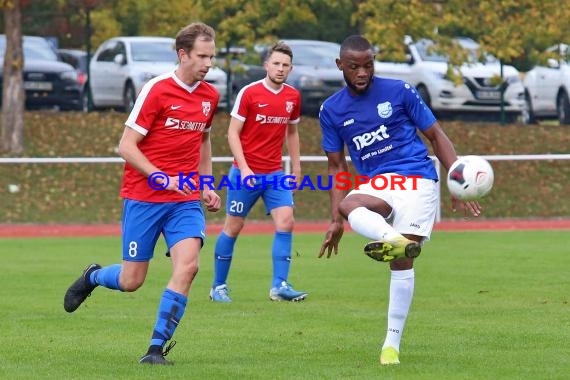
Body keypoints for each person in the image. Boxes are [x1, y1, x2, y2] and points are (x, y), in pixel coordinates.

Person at [317, 35, 483, 365]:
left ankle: (390, 345)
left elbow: (436, 136)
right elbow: (337, 166)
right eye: (354, 67)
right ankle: (393, 239)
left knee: (401, 261)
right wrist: (336, 221)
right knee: (348, 205)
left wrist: (457, 179)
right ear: (340, 66)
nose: (362, 73)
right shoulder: (331, 110)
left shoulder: (399, 92)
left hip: (418, 178)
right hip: (379, 183)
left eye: (368, 65)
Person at [63, 22, 221, 365]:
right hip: (144, 196)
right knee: (131, 280)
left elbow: (204, 141)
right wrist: (161, 178)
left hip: (184, 199)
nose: (209, 64)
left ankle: (155, 349)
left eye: (212, 56)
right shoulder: (157, 90)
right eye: (202, 56)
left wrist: (207, 185)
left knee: (189, 266)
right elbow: (126, 146)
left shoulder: (210, 96)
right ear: (183, 54)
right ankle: (93, 276)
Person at [209, 41, 308, 303]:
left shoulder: (292, 97)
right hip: (244, 174)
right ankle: (218, 286)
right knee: (233, 227)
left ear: (291, 68)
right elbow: (232, 133)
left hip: (274, 174)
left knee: (286, 220)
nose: (280, 68)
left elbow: (293, 132)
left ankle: (280, 286)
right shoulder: (249, 93)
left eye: (285, 65)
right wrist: (244, 168)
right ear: (266, 65)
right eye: (276, 63)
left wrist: (296, 167)